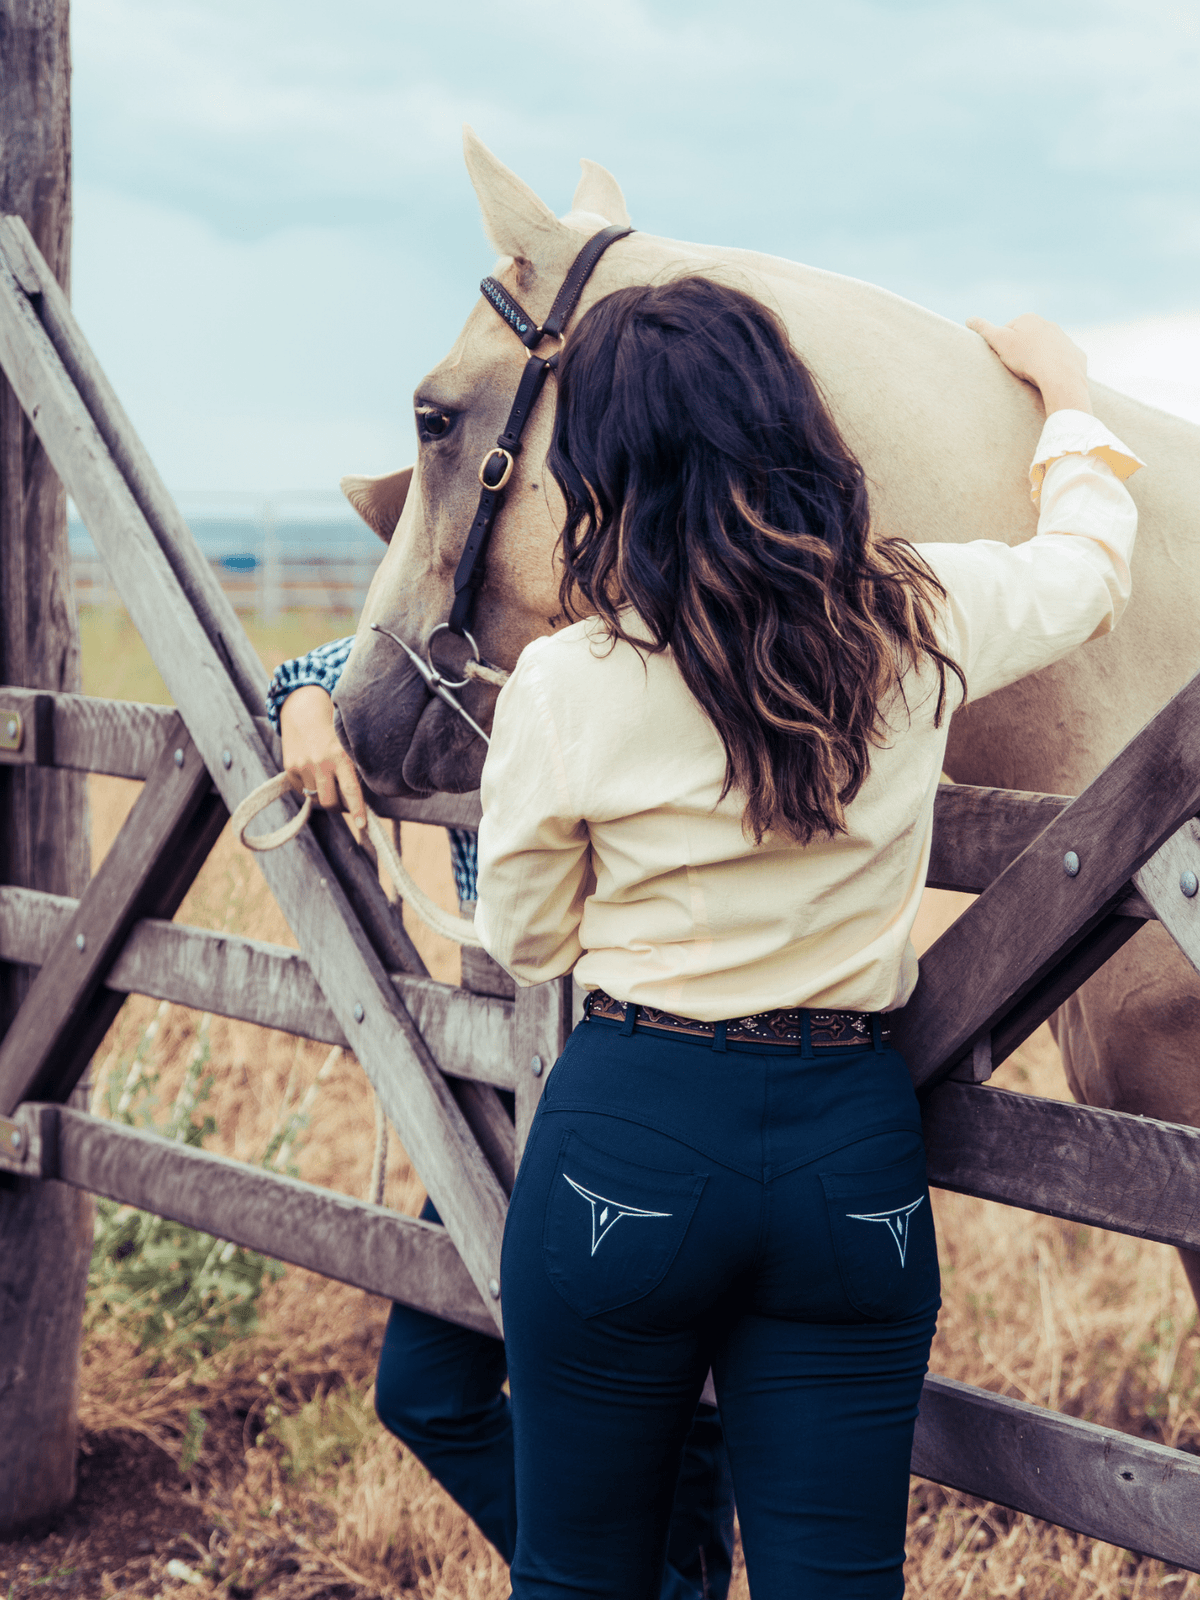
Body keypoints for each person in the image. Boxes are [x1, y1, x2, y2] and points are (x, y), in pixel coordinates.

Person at [473, 281, 1143, 1599]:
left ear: (600, 463)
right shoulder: (920, 612)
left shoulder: (572, 677)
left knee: (578, 1575)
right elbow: (1092, 570)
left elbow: (529, 935)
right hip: (850, 1143)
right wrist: (1065, 393)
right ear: (791, 421)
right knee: (838, 1579)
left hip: (634, 1134)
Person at [266, 641, 736, 1599]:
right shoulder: (459, 631)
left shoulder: (675, 615)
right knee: (426, 1390)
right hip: (512, 1057)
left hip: (661, 1050)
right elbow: (352, 653)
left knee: (686, 1415)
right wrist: (308, 696)